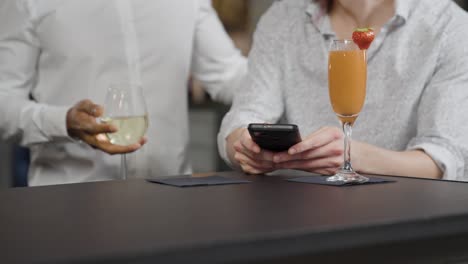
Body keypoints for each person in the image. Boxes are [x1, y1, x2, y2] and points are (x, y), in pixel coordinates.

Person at [0, 0, 247, 186]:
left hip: (169, 202)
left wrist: (281, 62)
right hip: (70, 203)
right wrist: (63, 122)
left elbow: (230, 76)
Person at [218, 0, 468, 181]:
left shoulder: (448, 26)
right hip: (294, 213)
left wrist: (351, 156)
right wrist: (247, 149)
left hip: (402, 218)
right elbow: (239, 123)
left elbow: (445, 158)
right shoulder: (282, 19)